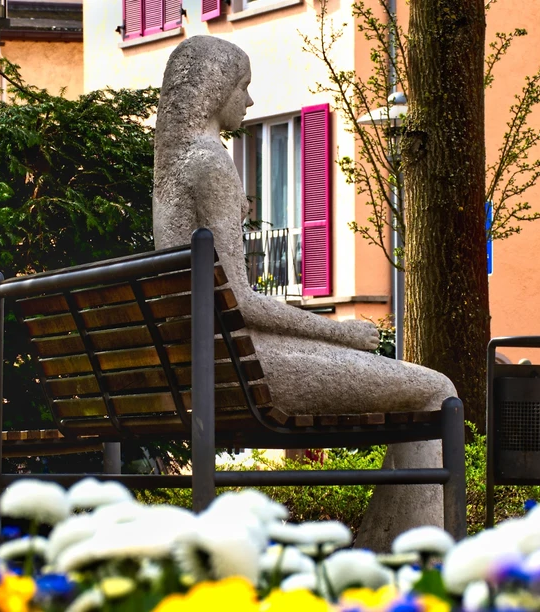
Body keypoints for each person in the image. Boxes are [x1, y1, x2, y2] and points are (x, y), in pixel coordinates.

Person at [151, 35, 455, 548]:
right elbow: (241, 302)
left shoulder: (170, 168)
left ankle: (384, 551)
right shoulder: (211, 163)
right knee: (436, 390)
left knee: (419, 390)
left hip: (200, 368)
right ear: (217, 87)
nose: (248, 101)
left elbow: (220, 301)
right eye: (244, 87)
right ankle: (416, 567)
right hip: (239, 371)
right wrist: (342, 333)